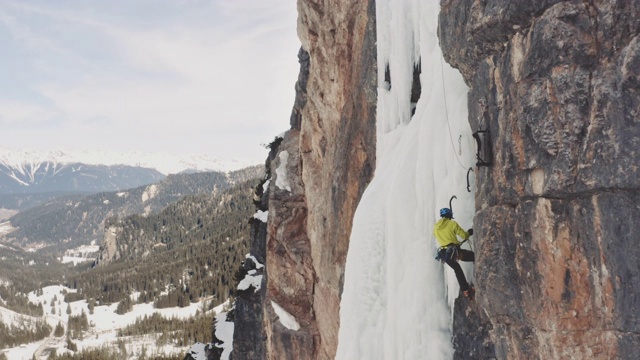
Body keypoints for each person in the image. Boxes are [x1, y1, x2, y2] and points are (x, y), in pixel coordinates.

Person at [433, 207, 475, 299]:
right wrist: (469, 232)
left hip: (445, 254)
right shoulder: (452, 224)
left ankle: (466, 291)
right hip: (454, 252)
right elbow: (464, 235)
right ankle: (474, 282)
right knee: (474, 257)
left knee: (457, 269)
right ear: (450, 215)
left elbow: (437, 236)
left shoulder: (436, 227)